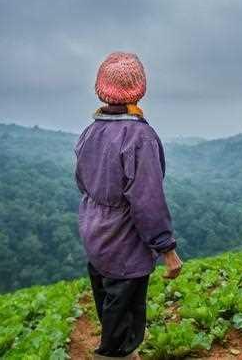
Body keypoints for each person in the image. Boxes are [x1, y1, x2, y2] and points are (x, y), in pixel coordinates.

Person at [74, 52, 183, 359]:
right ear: (139, 89)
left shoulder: (89, 132)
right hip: (125, 248)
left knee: (112, 317)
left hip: (96, 240)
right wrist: (167, 250)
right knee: (119, 339)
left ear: (101, 89)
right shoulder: (139, 137)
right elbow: (147, 201)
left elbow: (82, 183)